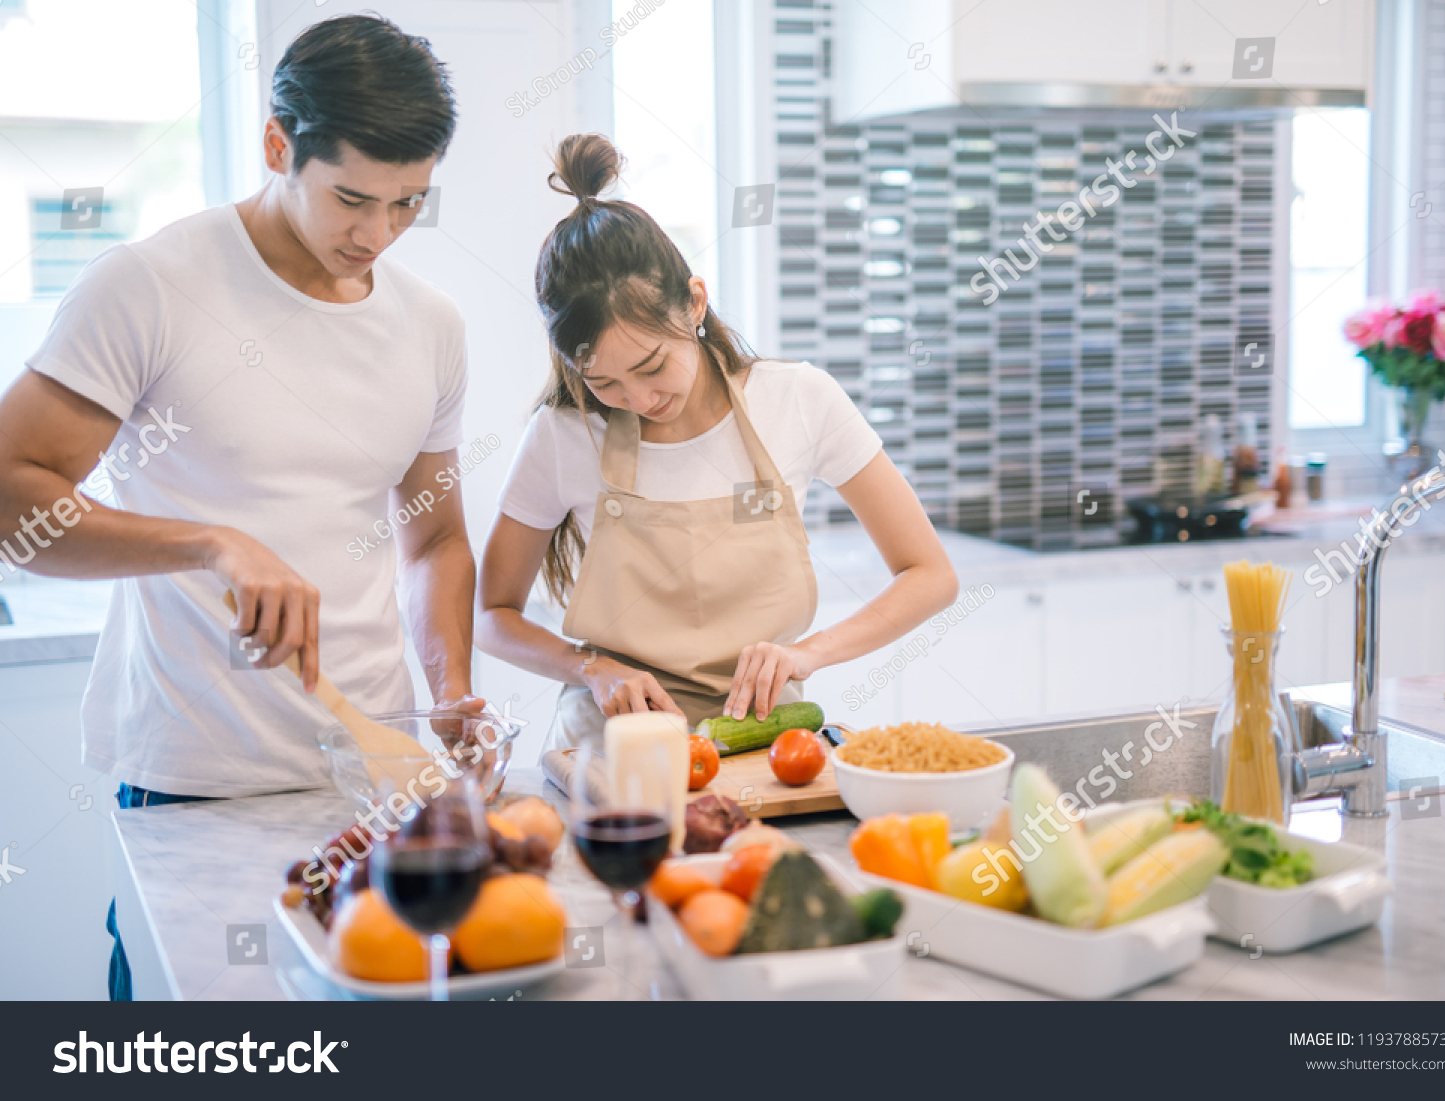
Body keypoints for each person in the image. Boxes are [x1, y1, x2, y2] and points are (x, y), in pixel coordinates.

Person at [0, 15, 482, 998]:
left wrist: (450, 693)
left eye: (409, 205)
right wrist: (215, 544)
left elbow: (432, 536)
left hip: (367, 776)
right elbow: (16, 500)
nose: (377, 235)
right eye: (353, 198)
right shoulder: (149, 286)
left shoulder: (430, 326)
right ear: (277, 146)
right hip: (192, 779)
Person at [476, 134, 959, 751]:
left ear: (694, 303)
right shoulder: (563, 434)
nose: (639, 399)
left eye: (652, 367)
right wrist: (590, 668)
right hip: (613, 743)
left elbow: (930, 574)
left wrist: (809, 654)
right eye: (603, 384)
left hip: (762, 733)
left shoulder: (799, 399)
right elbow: (493, 615)